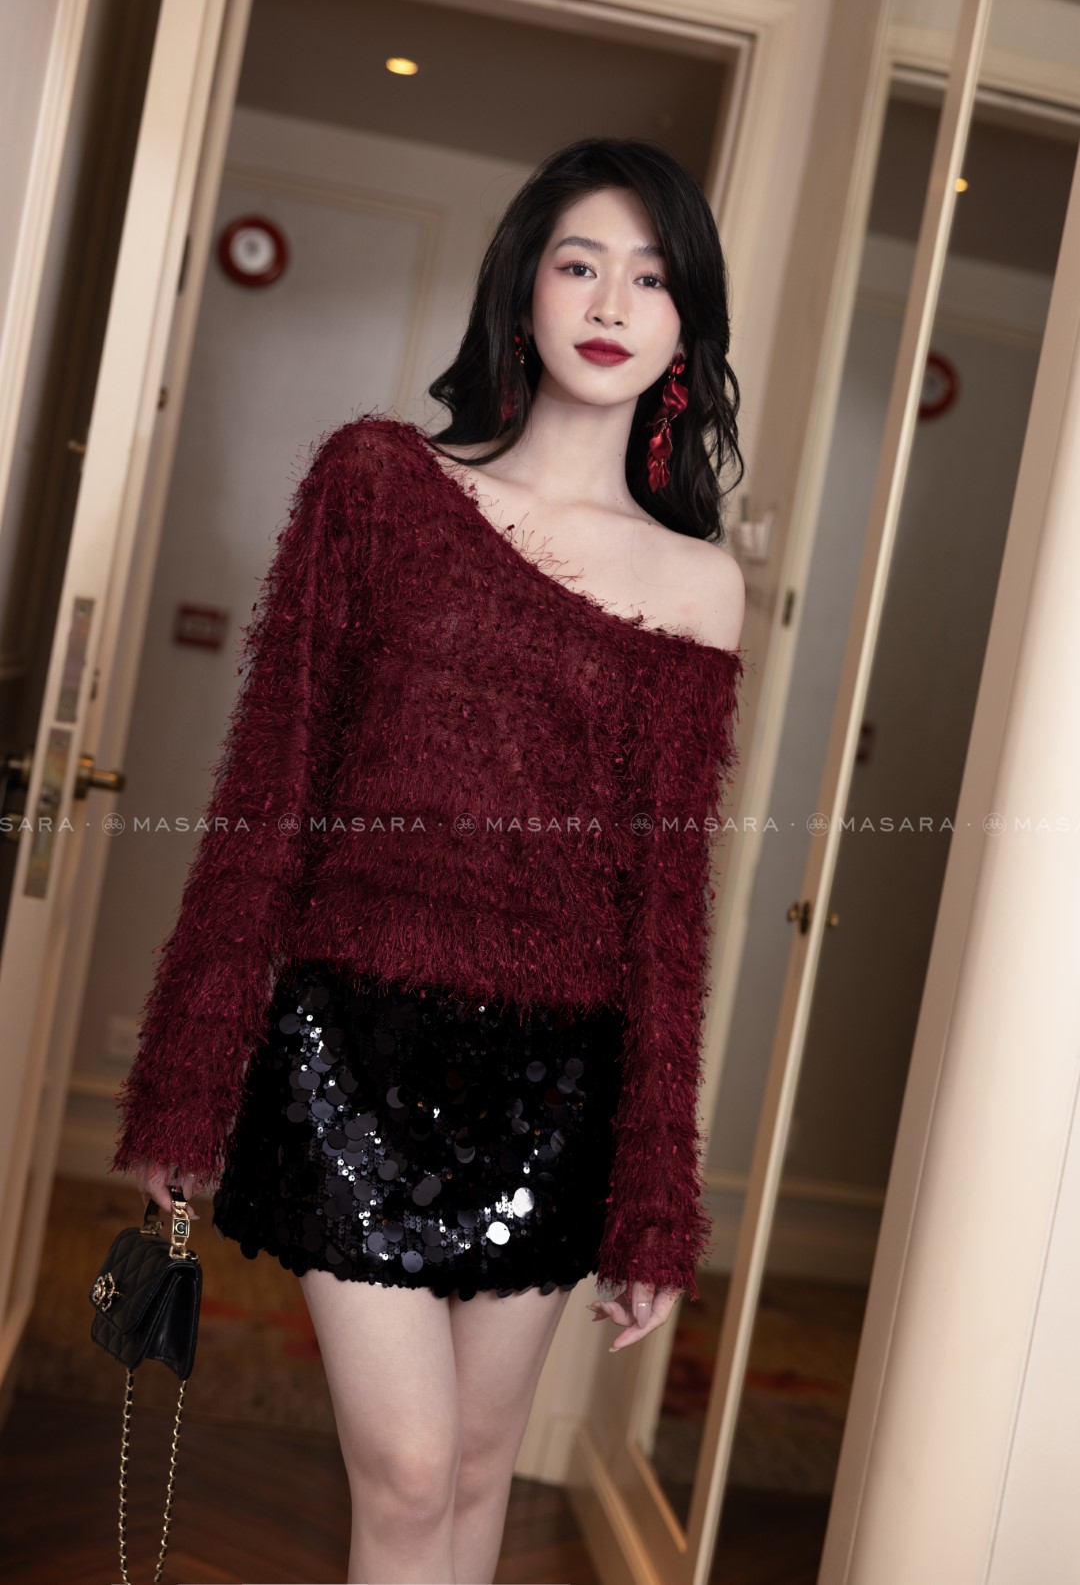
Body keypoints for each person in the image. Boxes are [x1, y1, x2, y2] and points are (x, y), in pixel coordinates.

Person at [110, 135, 747, 1585]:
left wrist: (655, 1196)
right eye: (579, 263)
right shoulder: (377, 487)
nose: (611, 301)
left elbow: (667, 914)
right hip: (347, 1051)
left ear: (685, 329)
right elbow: (266, 798)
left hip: (560, 1082)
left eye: (651, 278)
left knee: (471, 1468)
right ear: (522, 287)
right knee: (405, 1469)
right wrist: (187, 1080)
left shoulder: (700, 587)